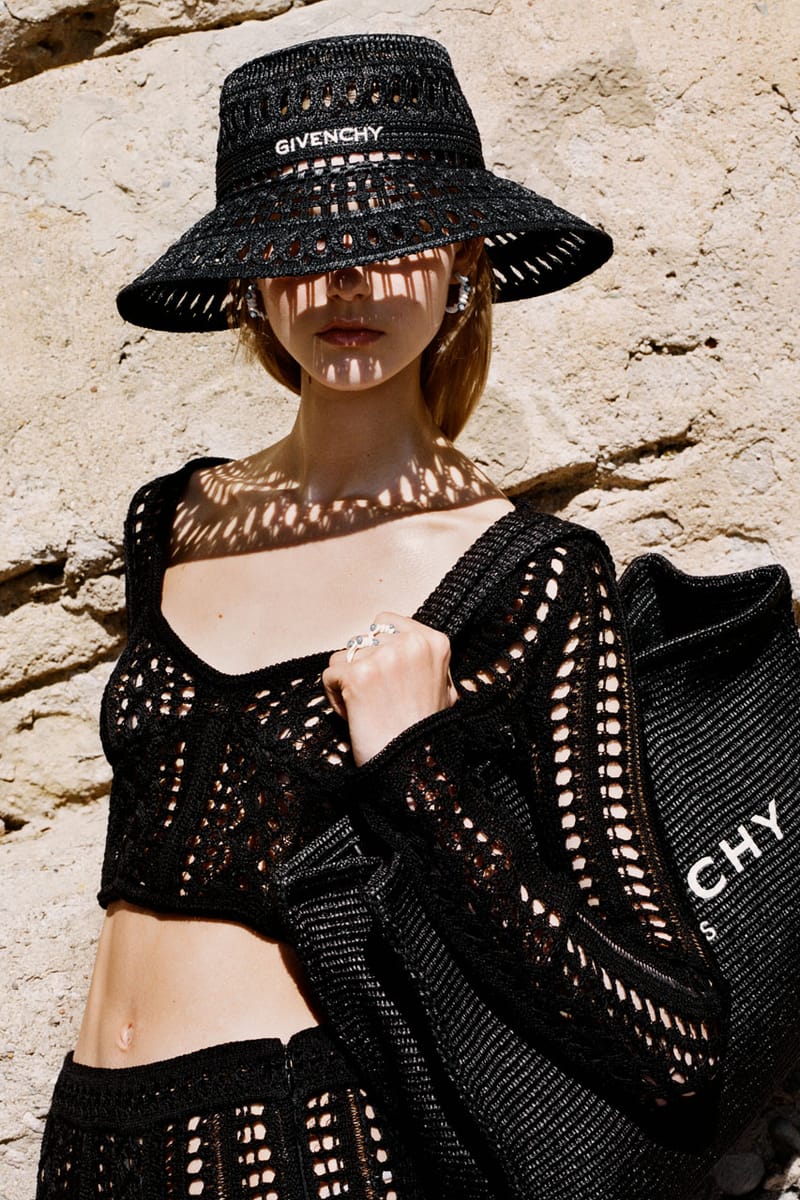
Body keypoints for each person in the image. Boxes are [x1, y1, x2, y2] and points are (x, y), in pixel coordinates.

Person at [35, 32, 729, 1200]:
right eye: (301, 244)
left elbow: (673, 1041)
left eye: (388, 238)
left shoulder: (528, 579)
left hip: (298, 1147)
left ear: (461, 260)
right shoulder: (172, 519)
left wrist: (416, 769)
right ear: (253, 278)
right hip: (88, 1139)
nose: (346, 281)